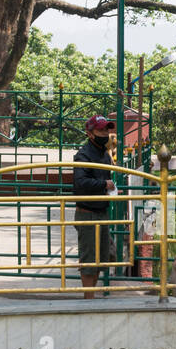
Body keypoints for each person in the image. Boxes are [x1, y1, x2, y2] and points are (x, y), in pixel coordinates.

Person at [73, 114, 116, 298]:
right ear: (90, 133)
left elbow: (104, 179)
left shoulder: (104, 155)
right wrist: (103, 185)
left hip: (101, 210)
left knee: (101, 258)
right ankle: (88, 299)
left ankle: (92, 296)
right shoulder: (83, 155)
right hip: (87, 213)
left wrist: (111, 191)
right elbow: (80, 183)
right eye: (100, 130)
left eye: (107, 129)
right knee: (89, 259)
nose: (105, 133)